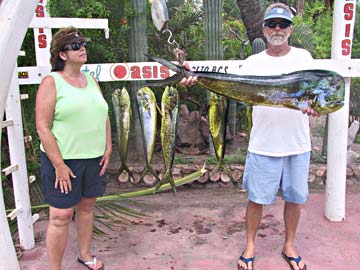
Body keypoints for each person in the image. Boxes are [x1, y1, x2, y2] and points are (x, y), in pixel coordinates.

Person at [181, 3, 319, 270]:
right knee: (256, 199)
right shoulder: (253, 63)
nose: (277, 29)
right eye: (272, 25)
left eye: (282, 25)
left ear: (290, 29)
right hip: (263, 144)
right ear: (264, 29)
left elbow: (312, 94)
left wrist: (314, 106)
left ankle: (289, 245)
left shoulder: (304, 58)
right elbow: (228, 84)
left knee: (295, 199)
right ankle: (250, 245)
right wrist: (195, 75)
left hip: (297, 144)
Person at [36, 27, 112, 270]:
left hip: (94, 158)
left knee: (87, 208)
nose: (83, 49)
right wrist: (58, 165)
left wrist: (108, 146)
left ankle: (84, 255)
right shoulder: (52, 82)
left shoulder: (91, 80)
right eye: (76, 46)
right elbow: (43, 127)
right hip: (64, 161)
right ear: (62, 54)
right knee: (60, 216)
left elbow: (104, 114)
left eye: (84, 45)